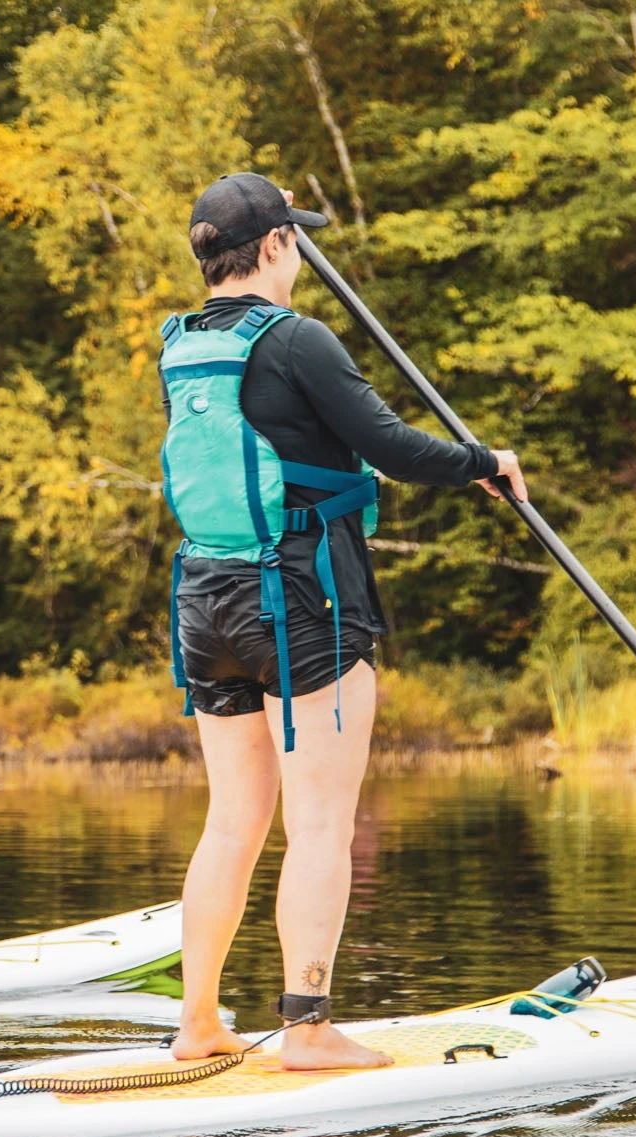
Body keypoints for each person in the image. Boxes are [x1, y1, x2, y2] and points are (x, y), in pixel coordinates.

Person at [160, 174, 528, 1070]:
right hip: (301, 599)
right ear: (279, 246)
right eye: (298, 239)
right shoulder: (297, 339)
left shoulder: (178, 346)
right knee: (319, 823)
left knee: (232, 821)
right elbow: (389, 447)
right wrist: (484, 460)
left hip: (206, 598)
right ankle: (308, 1029)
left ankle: (198, 1024)